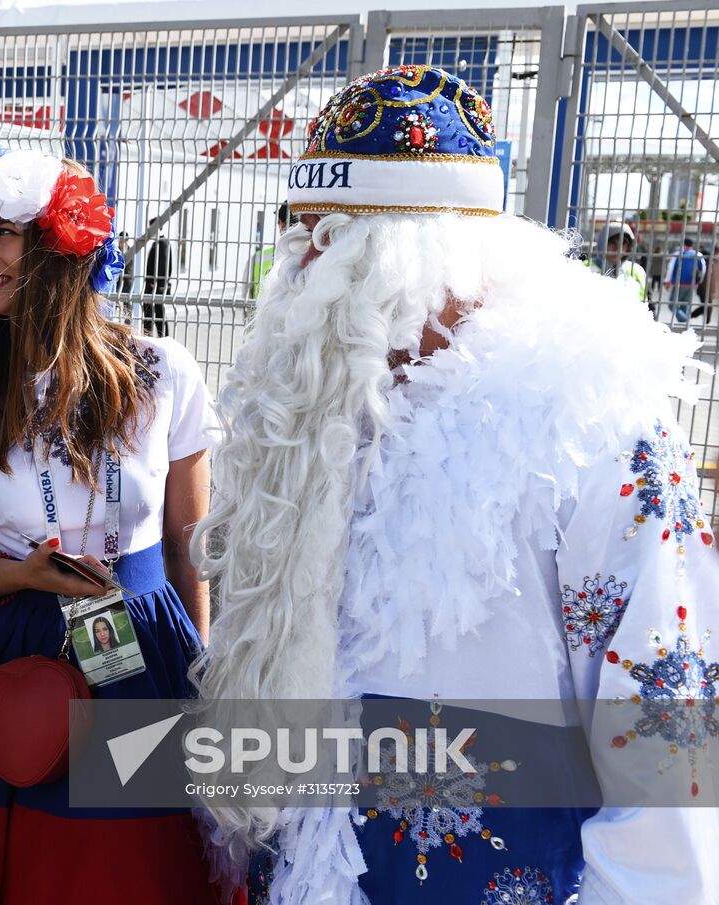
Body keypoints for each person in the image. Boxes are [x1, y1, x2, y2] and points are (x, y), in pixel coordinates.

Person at [194, 65, 719, 904]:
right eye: (302, 238)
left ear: (418, 251)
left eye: (335, 241)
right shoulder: (322, 411)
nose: (304, 272)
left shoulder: (590, 419)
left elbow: (667, 722)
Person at [0, 146, 219, 905]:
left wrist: (203, 668)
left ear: (63, 243)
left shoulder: (164, 370)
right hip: (10, 647)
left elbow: (185, 542)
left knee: (132, 871)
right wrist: (21, 575)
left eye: (5, 231)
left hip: (146, 651)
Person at [245, 201, 293, 300]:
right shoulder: (317, 259)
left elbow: (245, 298)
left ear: (280, 224)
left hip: (262, 312)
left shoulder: (257, 258)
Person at [592, 220, 646, 303]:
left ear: (629, 246)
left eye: (623, 243)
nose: (618, 248)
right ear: (603, 242)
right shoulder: (586, 267)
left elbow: (647, 304)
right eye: (612, 243)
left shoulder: (636, 270)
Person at [663, 236, 707, 323]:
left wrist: (667, 281)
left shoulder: (678, 254)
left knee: (672, 304)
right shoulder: (698, 255)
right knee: (685, 304)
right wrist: (699, 282)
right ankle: (684, 323)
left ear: (683, 244)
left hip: (678, 283)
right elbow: (703, 270)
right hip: (691, 283)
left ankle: (684, 319)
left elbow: (670, 268)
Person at [142, 216, 173, 337]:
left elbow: (163, 265)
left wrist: (156, 282)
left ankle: (161, 337)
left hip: (155, 286)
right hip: (154, 285)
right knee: (151, 312)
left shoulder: (163, 243)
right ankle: (151, 335)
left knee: (158, 313)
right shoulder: (159, 243)